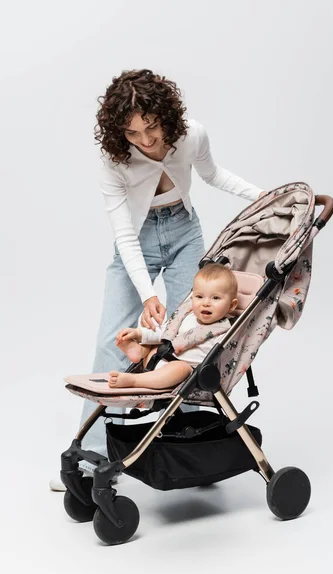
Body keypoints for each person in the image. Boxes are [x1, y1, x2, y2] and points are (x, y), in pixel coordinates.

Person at [50, 68, 265, 491]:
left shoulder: (192, 134)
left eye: (151, 127)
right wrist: (149, 295)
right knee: (111, 340)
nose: (146, 141)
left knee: (193, 336)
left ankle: (189, 446)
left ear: (167, 115)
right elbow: (124, 234)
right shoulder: (113, 160)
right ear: (119, 134)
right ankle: (92, 457)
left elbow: (213, 174)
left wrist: (264, 197)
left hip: (186, 232)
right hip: (138, 240)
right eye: (133, 134)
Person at [109, 263, 238, 389]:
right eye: (199, 296)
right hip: (157, 359)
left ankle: (134, 380)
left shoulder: (225, 331)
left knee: (181, 368)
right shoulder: (187, 316)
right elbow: (163, 333)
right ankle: (140, 351)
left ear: (231, 306)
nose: (206, 303)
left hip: (183, 375)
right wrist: (139, 334)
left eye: (215, 298)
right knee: (157, 342)